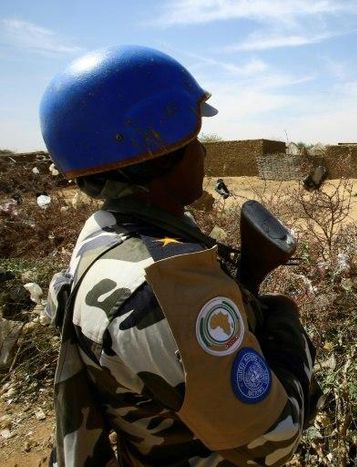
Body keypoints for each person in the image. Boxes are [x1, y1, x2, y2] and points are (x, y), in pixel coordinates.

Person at [41, 45, 317, 466]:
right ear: (158, 151)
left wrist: (247, 276)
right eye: (194, 141)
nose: (203, 154)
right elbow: (273, 439)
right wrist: (283, 317)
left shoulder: (101, 234)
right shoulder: (165, 287)